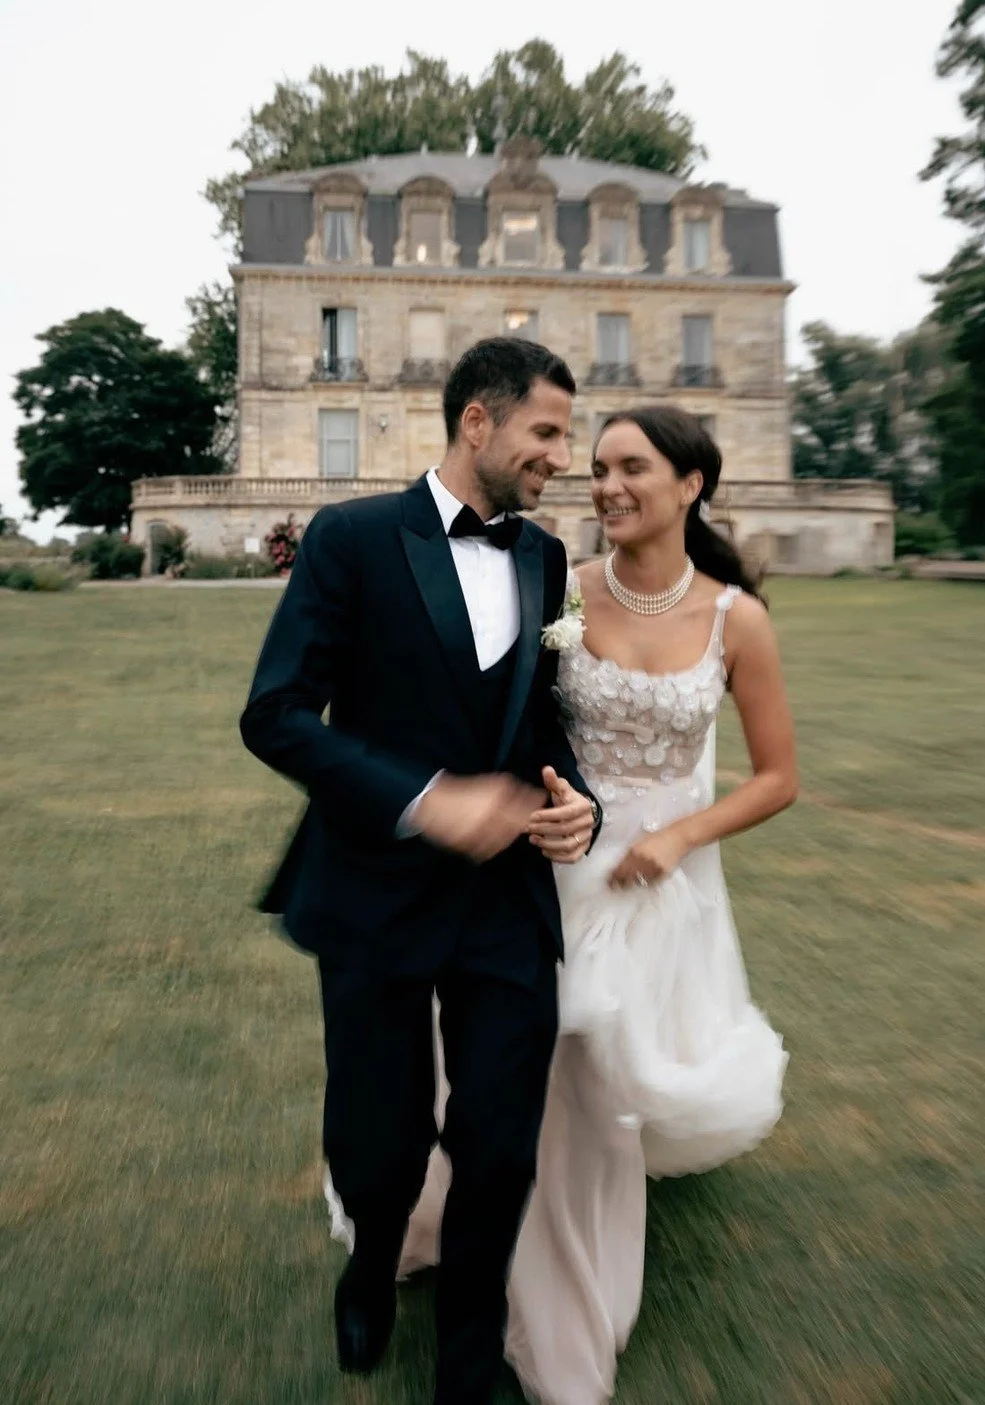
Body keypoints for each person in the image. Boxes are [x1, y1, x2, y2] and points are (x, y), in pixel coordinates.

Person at [370, 405, 795, 1404]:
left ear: (691, 483)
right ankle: (451, 1231)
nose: (605, 485)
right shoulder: (560, 585)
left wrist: (679, 838)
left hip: (661, 883)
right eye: (598, 467)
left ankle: (565, 1307)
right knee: (502, 1072)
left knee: (601, 1100)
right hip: (550, 864)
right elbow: (503, 716)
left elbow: (779, 777)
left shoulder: (738, 619)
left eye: (631, 467)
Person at [240, 337, 602, 1405]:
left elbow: (540, 717)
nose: (561, 457)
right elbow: (275, 715)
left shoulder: (546, 558)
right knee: (379, 1130)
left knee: (501, 1138)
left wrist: (577, 797)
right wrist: (423, 797)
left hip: (505, 900)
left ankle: (468, 1357)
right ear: (478, 421)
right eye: (546, 432)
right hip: (374, 887)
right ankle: (370, 1262)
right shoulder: (351, 538)